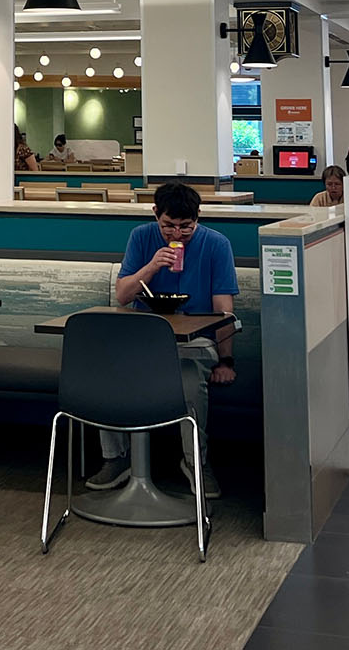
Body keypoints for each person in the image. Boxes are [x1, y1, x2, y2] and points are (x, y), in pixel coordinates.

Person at [88, 182, 236, 499]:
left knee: (188, 378)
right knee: (105, 370)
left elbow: (224, 308)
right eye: (169, 225)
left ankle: (196, 462)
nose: (177, 234)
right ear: (156, 214)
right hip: (145, 336)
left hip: (195, 342)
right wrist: (153, 265)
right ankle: (117, 458)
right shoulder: (141, 237)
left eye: (186, 227)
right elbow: (124, 296)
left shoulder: (216, 245)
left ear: (198, 219)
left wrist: (226, 360)